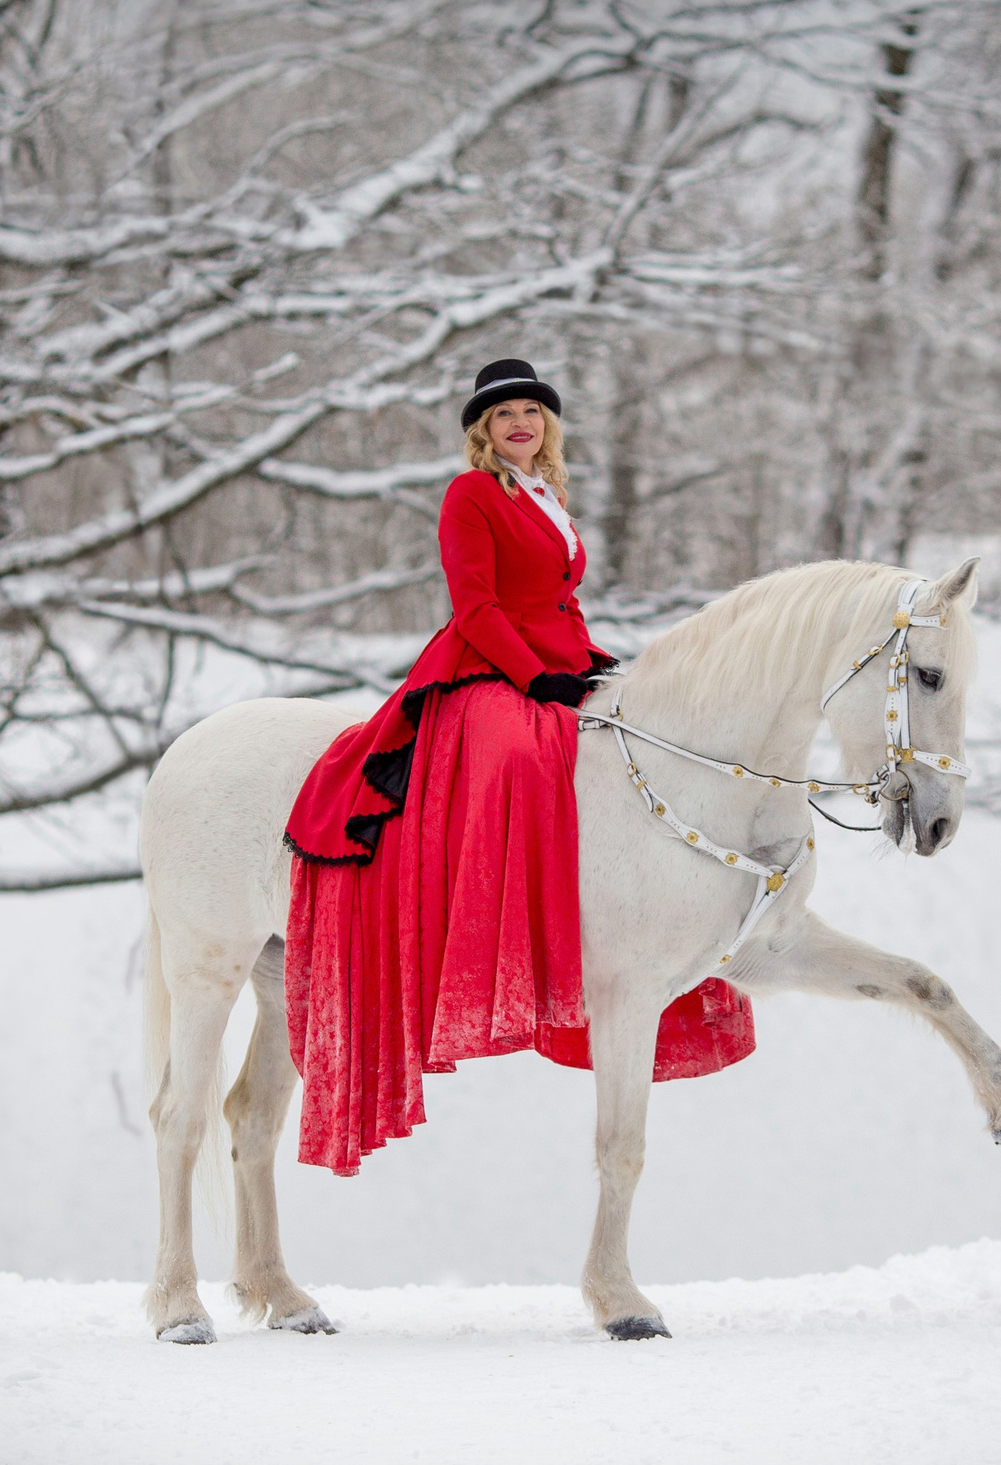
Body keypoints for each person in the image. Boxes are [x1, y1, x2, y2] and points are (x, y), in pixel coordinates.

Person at [283, 358, 753, 1174]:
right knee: (519, 758)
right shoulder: (471, 495)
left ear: (548, 425)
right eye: (505, 415)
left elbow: (560, 602)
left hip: (554, 664)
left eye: (532, 412)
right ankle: (497, 923)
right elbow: (477, 605)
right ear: (484, 430)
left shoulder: (548, 495)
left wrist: (594, 661)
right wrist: (535, 678)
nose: (521, 424)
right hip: (483, 668)